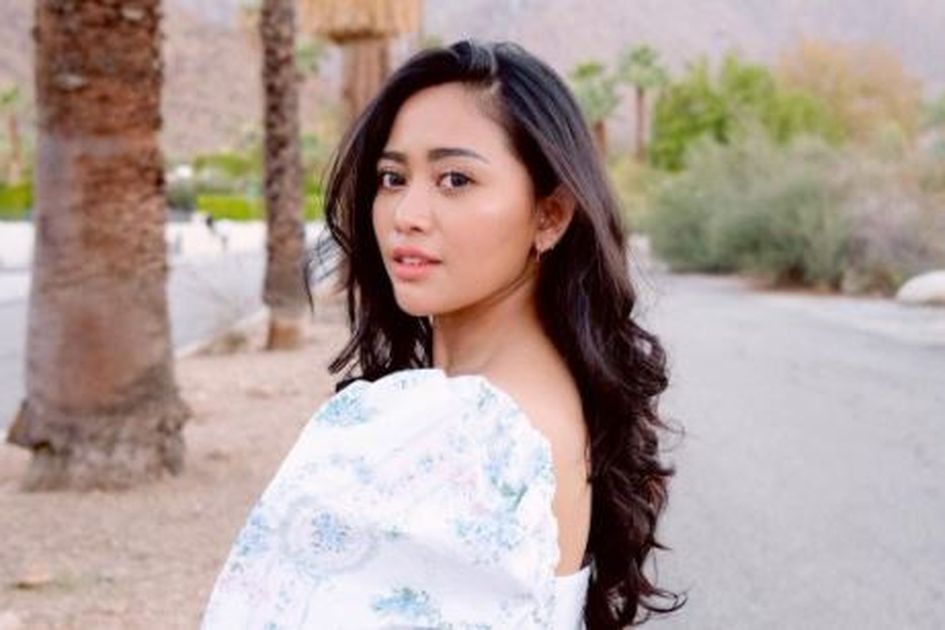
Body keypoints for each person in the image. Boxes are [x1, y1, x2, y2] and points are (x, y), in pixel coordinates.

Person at [200, 39, 685, 629]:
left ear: (549, 215)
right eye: (392, 177)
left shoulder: (483, 428)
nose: (406, 215)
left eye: (455, 179)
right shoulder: (531, 398)